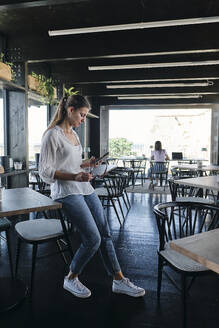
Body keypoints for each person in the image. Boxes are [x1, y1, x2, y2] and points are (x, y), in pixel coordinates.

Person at [39, 94, 145, 299]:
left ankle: (118, 280)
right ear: (70, 110)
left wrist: (87, 164)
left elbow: (72, 163)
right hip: (66, 191)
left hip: (84, 188)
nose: (83, 119)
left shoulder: (75, 135)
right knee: (92, 238)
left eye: (85, 115)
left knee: (105, 233)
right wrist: (75, 176)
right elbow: (45, 171)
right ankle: (71, 278)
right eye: (82, 114)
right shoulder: (52, 135)